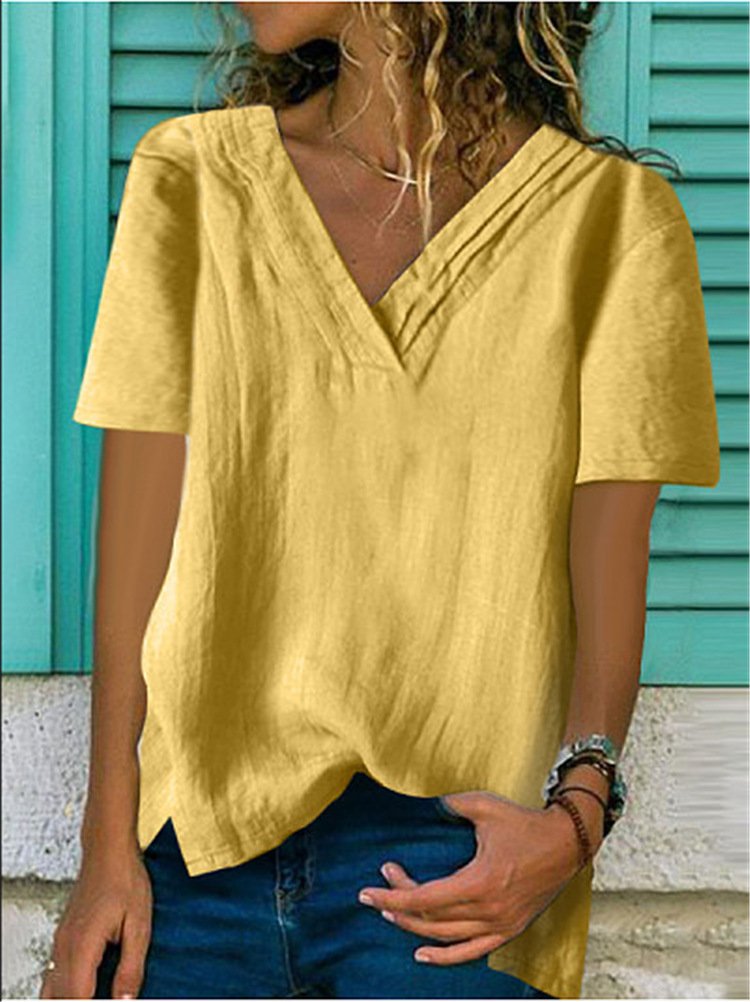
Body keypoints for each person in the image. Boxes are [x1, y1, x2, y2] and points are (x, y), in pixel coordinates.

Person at [41, 2, 721, 999]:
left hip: (457, 866)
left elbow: (611, 565)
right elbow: (136, 552)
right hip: (191, 856)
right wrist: (106, 847)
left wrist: (571, 827)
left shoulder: (611, 226)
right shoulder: (193, 178)